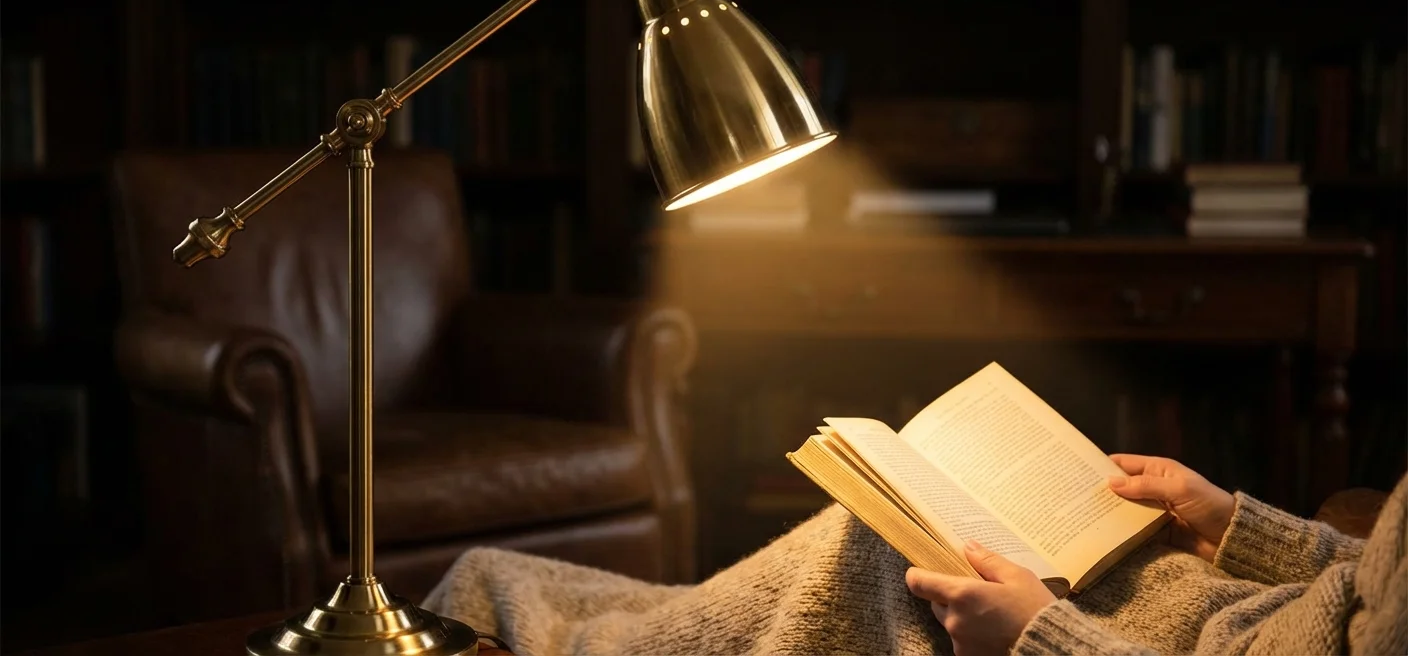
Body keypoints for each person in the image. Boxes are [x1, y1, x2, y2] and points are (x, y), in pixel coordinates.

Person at [424, 455, 1406, 655]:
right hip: (1208, 601)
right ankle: (634, 633)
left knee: (876, 548)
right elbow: (1366, 575)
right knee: (890, 529)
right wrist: (1231, 518)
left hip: (1132, 642)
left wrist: (1035, 637)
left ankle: (603, 645)